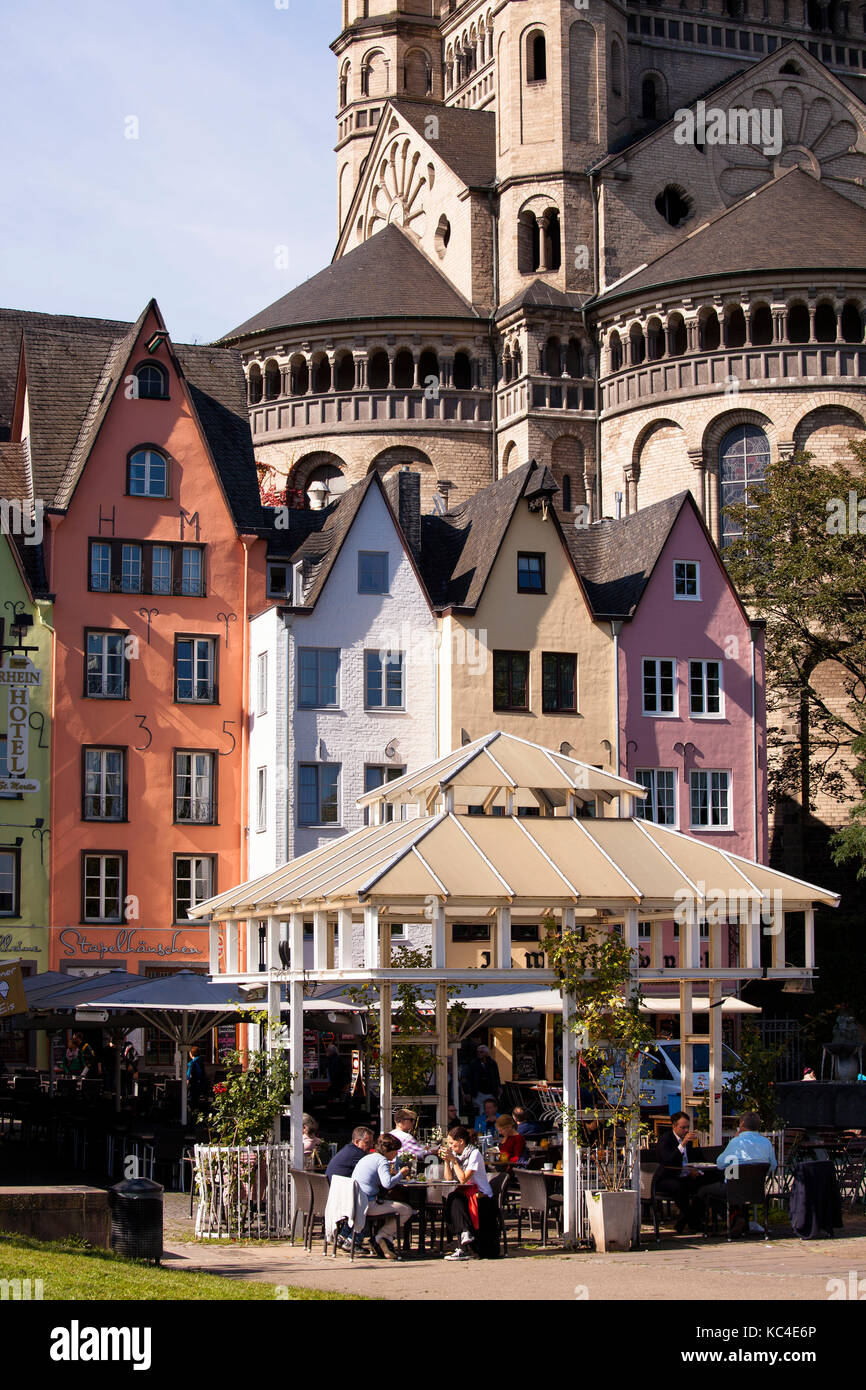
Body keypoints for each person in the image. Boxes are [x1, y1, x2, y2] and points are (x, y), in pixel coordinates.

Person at [696, 1111, 778, 1237]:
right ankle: (739, 1221)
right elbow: (772, 1165)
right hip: (756, 1189)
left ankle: (734, 1218)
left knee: (705, 1191)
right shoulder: (766, 1143)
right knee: (730, 1181)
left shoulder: (736, 1142)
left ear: (742, 1123)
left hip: (735, 1188)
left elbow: (720, 1163)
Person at [440, 1126, 499, 1260]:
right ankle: (464, 1235)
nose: (449, 1146)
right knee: (453, 1198)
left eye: (451, 1143)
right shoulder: (456, 1155)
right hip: (466, 1192)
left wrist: (454, 1161)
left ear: (460, 1141)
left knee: (455, 1199)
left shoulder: (474, 1154)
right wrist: (446, 1161)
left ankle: (463, 1241)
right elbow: (448, 1178)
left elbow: (463, 1179)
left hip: (481, 1194)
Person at [351, 1135, 414, 1260]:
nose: (396, 1155)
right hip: (367, 1204)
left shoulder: (368, 1157)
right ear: (389, 1151)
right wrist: (401, 1174)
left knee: (393, 1205)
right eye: (395, 1151)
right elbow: (387, 1184)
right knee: (406, 1210)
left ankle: (385, 1240)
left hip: (356, 1202)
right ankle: (381, 1237)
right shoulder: (382, 1161)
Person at [655, 1111, 712, 1234]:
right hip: (668, 1177)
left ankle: (686, 1220)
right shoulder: (666, 1139)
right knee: (678, 1188)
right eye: (683, 1127)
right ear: (674, 1126)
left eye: (688, 1127)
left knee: (705, 1185)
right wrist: (682, 1144)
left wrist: (697, 1169)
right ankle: (693, 1222)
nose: (686, 1130)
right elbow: (668, 1161)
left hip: (686, 1176)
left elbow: (700, 1159)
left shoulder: (691, 1140)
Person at [468, 1044, 501, 1114]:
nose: (479, 1053)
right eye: (478, 1052)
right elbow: (470, 1078)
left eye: (481, 1052)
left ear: (486, 1053)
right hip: (478, 1092)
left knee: (491, 1110)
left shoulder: (492, 1063)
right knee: (480, 1111)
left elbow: (496, 1076)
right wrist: (469, 1092)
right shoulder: (473, 1063)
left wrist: (499, 1087)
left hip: (491, 1091)